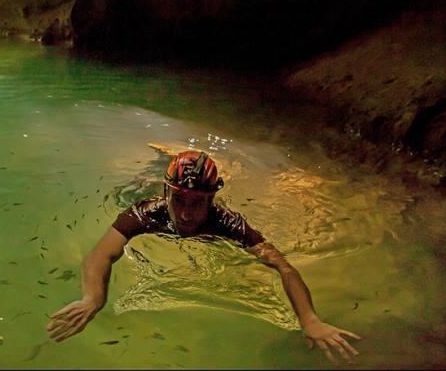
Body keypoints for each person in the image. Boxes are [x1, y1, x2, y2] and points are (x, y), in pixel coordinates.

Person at [46, 150, 362, 364]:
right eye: (179, 199)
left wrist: (309, 319)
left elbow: (284, 267)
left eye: (197, 203)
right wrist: (93, 298)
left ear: (212, 200)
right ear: (166, 193)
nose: (185, 213)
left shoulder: (227, 223)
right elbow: (101, 255)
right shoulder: (146, 213)